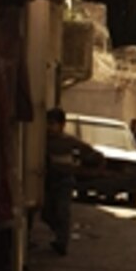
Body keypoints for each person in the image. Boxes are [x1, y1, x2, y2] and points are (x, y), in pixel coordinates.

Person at [43, 107, 103, 255]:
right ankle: (60, 232)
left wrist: (83, 167)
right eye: (48, 123)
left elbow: (92, 154)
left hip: (64, 181)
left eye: (52, 124)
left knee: (63, 211)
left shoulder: (68, 141)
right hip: (47, 180)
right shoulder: (42, 141)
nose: (49, 128)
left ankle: (61, 242)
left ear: (62, 125)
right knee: (46, 212)